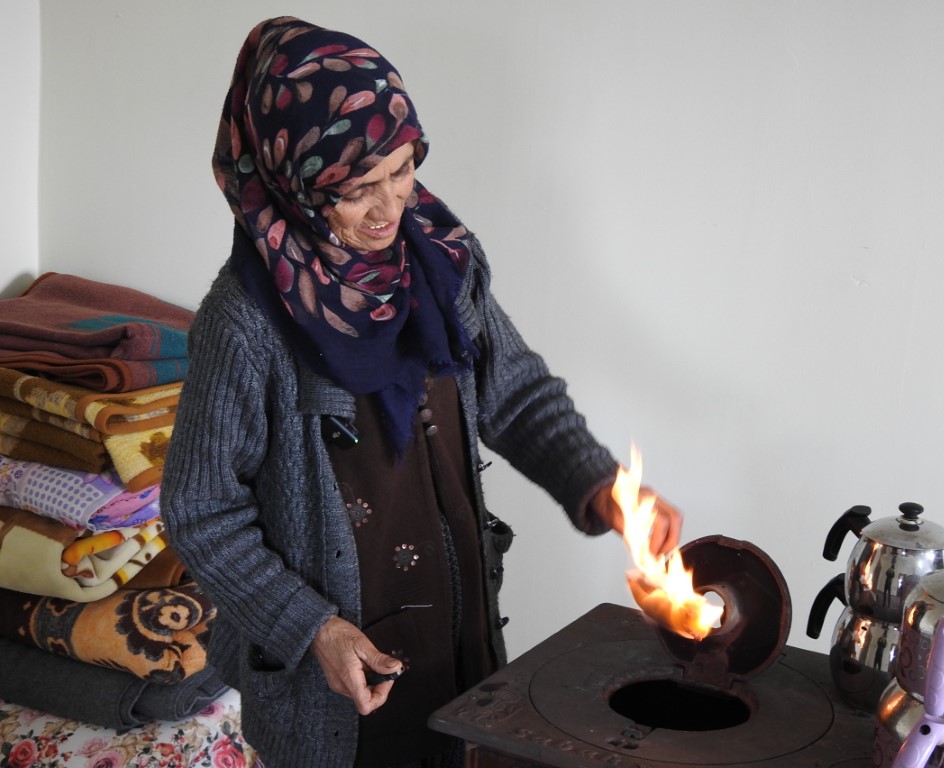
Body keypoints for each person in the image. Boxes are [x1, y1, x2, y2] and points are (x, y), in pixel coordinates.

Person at [162, 16, 683, 768]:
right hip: (336, 682)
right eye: (357, 189)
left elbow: (516, 393)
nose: (390, 208)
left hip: (454, 634)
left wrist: (604, 489)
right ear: (295, 182)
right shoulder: (243, 322)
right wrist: (312, 628)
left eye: (404, 169)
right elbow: (200, 511)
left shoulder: (441, 261)